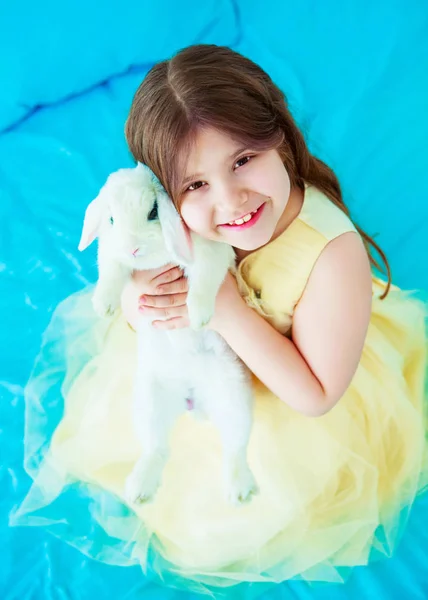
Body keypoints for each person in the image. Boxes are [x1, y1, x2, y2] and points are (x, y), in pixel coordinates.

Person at [14, 45, 428, 593]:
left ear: (277, 134)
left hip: (290, 382)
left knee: (235, 503)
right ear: (163, 192)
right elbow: (146, 269)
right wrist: (142, 304)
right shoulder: (171, 221)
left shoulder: (335, 258)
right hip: (196, 369)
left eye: (242, 160)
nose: (232, 201)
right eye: (196, 184)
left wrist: (227, 310)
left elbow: (316, 395)